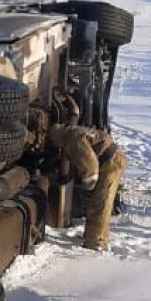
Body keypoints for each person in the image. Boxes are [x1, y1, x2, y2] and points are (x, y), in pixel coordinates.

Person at [46, 101, 127, 252]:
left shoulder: (72, 137)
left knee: (100, 204)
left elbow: (88, 161)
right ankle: (94, 236)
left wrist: (88, 180)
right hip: (110, 159)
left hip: (111, 162)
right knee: (101, 203)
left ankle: (96, 242)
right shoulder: (72, 133)